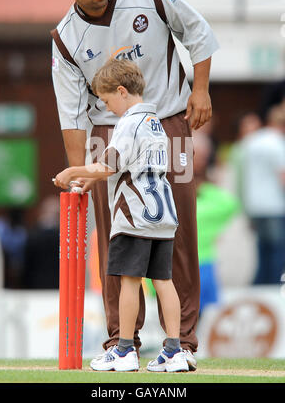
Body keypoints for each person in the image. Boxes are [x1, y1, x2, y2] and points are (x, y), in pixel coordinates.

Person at [51, 0, 219, 369]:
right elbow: (71, 114)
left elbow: (198, 32)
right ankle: (119, 340)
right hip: (108, 131)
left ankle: (182, 343)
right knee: (116, 241)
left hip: (170, 122)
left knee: (178, 230)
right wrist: (80, 179)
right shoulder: (65, 38)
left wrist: (200, 90)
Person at [54, 59, 189, 372]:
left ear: (122, 91)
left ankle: (125, 349)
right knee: (164, 281)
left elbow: (108, 166)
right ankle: (174, 349)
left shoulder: (129, 123)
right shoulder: (156, 121)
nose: (105, 105)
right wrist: (91, 177)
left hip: (134, 214)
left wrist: (73, 170)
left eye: (106, 99)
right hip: (163, 216)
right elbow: (128, 166)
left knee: (129, 281)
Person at [239, 105, 285, 284]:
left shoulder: (251, 141)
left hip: (255, 205)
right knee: (278, 255)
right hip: (275, 206)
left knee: (263, 253)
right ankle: (274, 294)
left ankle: (258, 290)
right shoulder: (280, 143)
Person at [193, 131, 240, 314]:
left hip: (204, 261)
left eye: (203, 156)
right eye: (194, 155)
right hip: (175, 265)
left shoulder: (211, 192)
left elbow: (230, 204)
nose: (199, 160)